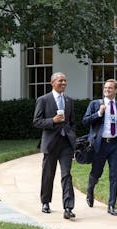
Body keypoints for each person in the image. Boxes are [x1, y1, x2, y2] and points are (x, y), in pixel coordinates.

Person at [33, 72, 76, 220]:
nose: (63, 83)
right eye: (60, 81)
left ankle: (68, 207)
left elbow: (71, 122)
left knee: (66, 175)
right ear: (52, 83)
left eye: (65, 80)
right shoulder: (43, 100)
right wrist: (53, 121)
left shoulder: (69, 100)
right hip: (51, 144)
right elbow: (37, 121)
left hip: (66, 145)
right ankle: (45, 202)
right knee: (48, 174)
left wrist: (71, 135)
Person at [82, 79, 117, 216]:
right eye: (105, 88)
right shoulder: (95, 104)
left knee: (115, 175)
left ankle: (111, 205)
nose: (107, 90)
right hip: (99, 145)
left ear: (116, 90)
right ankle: (90, 190)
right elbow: (85, 121)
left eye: (110, 88)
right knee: (96, 172)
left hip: (115, 145)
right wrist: (99, 113)